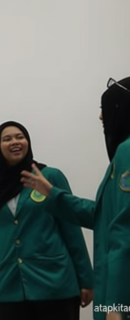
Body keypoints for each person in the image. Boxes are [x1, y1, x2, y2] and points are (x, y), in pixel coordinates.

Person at [21, 76, 130, 320]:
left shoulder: (127, 151)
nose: (101, 117)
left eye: (105, 108)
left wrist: (117, 305)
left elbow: (124, 232)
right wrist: (53, 194)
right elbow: (102, 215)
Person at [0, 120, 94, 320]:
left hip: (56, 284)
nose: (15, 142)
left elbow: (71, 228)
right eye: (7, 139)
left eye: (20, 137)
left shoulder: (48, 176)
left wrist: (86, 280)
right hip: (9, 287)